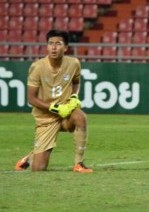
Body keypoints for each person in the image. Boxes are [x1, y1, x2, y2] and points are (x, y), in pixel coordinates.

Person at [15, 29, 92, 173]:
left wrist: (74, 96)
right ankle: (30, 158)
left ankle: (79, 163)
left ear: (66, 47)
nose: (54, 47)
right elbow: (31, 99)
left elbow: (76, 81)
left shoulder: (74, 63)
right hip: (46, 118)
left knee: (80, 117)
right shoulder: (37, 67)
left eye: (58, 43)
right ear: (47, 46)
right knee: (38, 168)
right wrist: (55, 108)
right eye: (50, 43)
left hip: (65, 114)